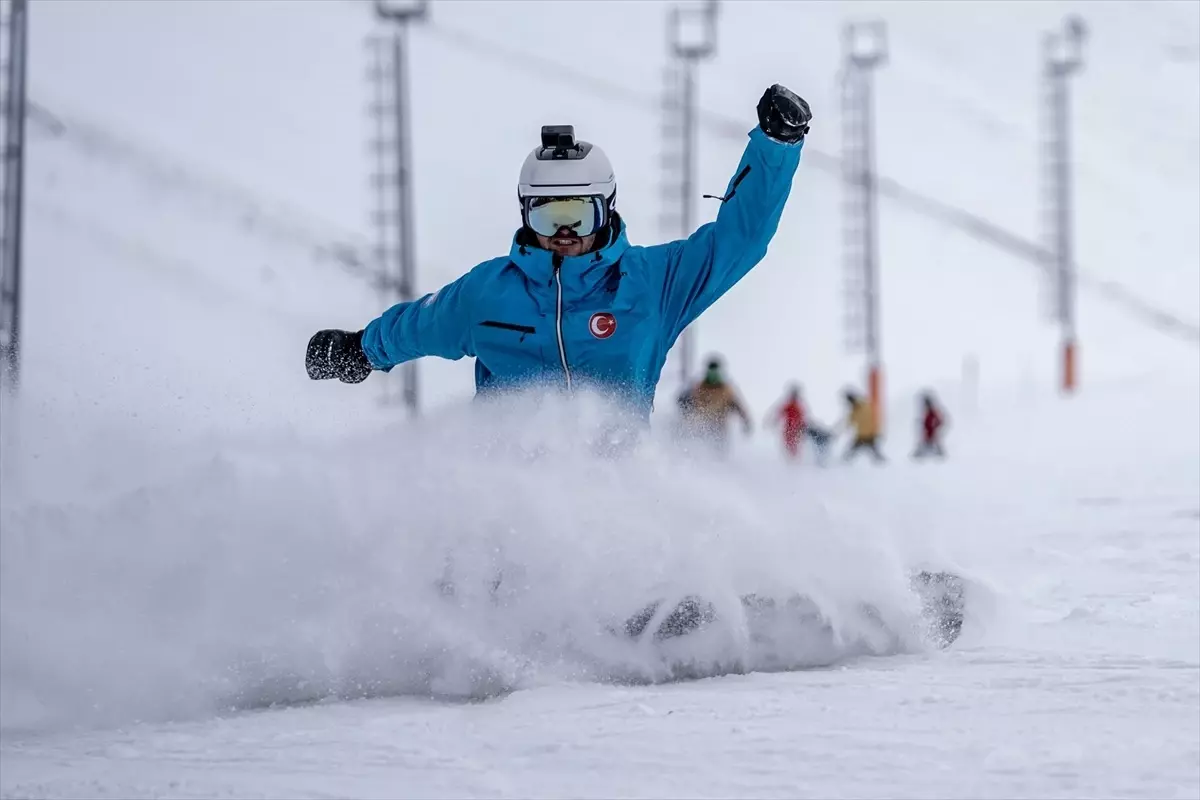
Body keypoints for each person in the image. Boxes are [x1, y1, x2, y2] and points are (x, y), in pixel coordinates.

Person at [304, 85, 811, 425]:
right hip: (507, 500)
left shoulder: (654, 284)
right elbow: (423, 323)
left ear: (606, 210)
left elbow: (739, 241)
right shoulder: (490, 292)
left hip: (620, 499)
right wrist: (361, 349)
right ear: (526, 215)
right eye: (548, 216)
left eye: (580, 215)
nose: (564, 233)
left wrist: (775, 146)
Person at [678, 357, 752, 456]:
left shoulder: (726, 390)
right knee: (700, 449)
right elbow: (682, 401)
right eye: (711, 370)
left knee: (719, 452)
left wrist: (745, 421)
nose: (713, 374)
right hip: (701, 425)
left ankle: (719, 464)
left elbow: (737, 406)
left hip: (719, 427)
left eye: (715, 371)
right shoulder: (698, 387)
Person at [842, 389, 885, 463]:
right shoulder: (858, 407)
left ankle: (844, 462)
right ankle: (845, 461)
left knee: (852, 452)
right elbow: (850, 421)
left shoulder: (861, 407)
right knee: (874, 453)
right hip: (864, 435)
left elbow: (851, 422)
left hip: (866, 435)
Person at [767, 383, 807, 461]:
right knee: (789, 447)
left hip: (795, 430)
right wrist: (773, 421)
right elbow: (779, 413)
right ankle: (791, 462)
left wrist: (803, 427)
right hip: (789, 430)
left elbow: (803, 418)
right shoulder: (790, 405)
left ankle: (793, 462)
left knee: (794, 448)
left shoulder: (798, 405)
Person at [912, 390, 947, 460]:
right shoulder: (926, 412)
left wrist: (936, 426)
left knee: (934, 442)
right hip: (927, 431)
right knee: (925, 442)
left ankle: (939, 452)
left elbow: (939, 420)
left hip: (932, 431)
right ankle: (920, 452)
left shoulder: (933, 411)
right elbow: (925, 422)